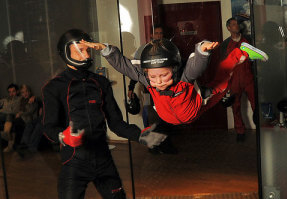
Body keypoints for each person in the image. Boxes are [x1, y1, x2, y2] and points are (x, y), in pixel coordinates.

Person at [42, 29, 167, 199]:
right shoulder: (54, 87)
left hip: (103, 159)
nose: (85, 54)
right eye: (79, 50)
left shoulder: (100, 82)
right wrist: (63, 136)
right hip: (74, 161)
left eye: (87, 49)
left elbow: (116, 124)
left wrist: (141, 136)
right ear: (65, 53)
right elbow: (48, 127)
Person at [81, 38, 268, 126]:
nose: (158, 81)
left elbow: (197, 66)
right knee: (218, 87)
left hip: (197, 105)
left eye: (163, 75)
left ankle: (241, 53)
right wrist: (106, 50)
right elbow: (124, 66)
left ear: (175, 70)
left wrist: (202, 50)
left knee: (222, 80)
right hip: (172, 116)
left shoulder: (183, 79)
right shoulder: (147, 80)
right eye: (153, 77)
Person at [128, 24, 178, 154]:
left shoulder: (167, 48)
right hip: (149, 90)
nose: (159, 35)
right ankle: (153, 146)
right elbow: (135, 71)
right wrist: (131, 88)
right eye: (156, 33)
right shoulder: (143, 50)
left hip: (166, 90)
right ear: (151, 35)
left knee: (166, 118)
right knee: (151, 117)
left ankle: (165, 145)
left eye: (161, 33)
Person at [219, 17, 255, 142]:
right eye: (233, 24)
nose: (236, 26)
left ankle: (261, 129)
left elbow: (256, 57)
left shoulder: (249, 40)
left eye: (237, 24)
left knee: (255, 105)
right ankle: (240, 131)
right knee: (236, 106)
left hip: (248, 77)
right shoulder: (225, 45)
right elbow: (222, 64)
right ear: (228, 28)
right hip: (234, 79)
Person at [0, 84, 21, 149]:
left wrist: (1, 110)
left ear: (17, 91)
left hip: (12, 115)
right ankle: (6, 135)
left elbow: (13, 111)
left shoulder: (19, 99)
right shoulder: (5, 99)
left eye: (13, 91)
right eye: (10, 92)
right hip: (3, 115)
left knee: (9, 115)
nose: (11, 94)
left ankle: (6, 133)